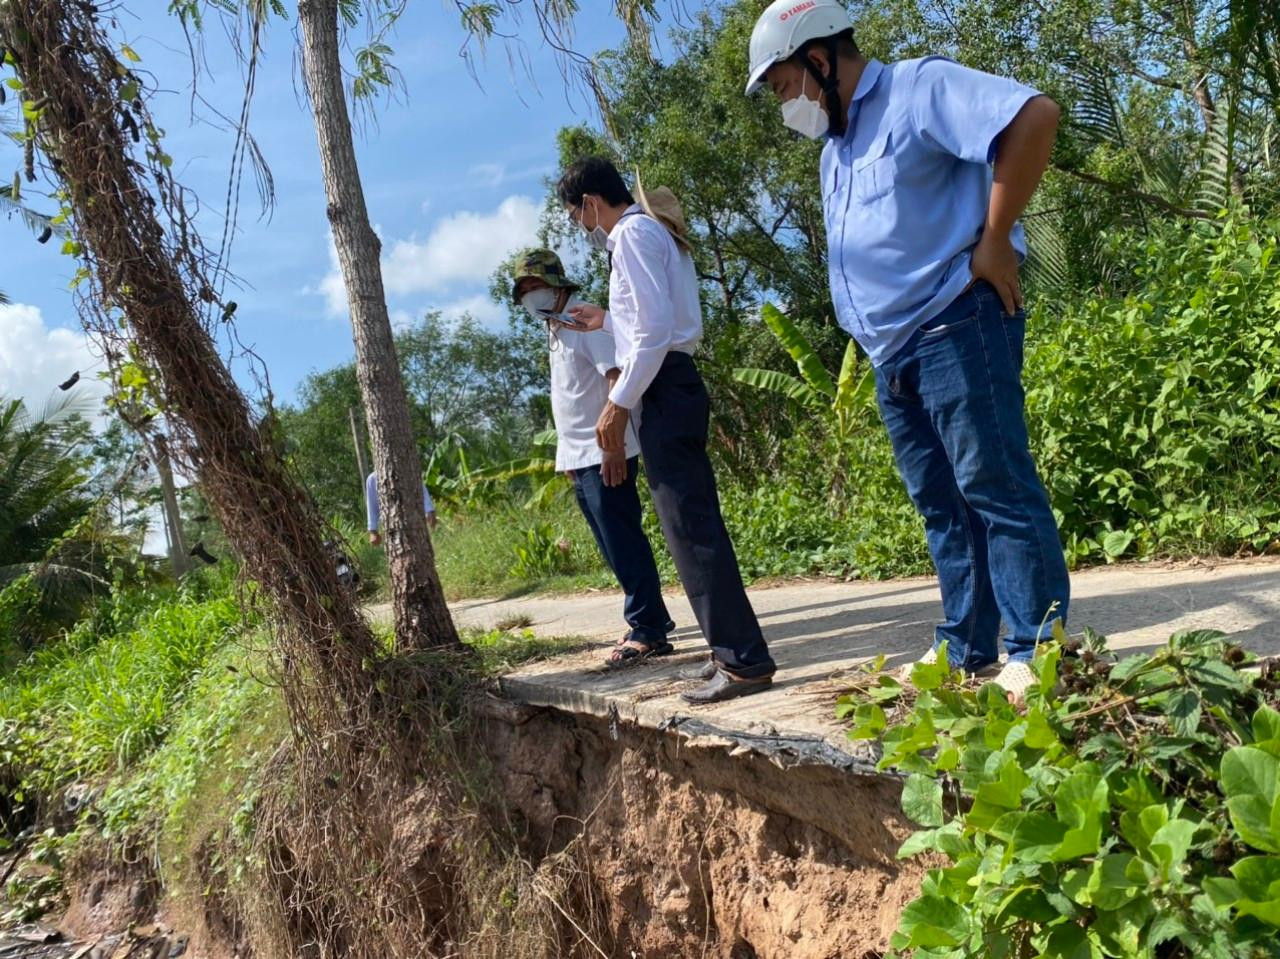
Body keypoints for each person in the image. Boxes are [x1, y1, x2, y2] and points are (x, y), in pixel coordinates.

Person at [745, 0, 1070, 702]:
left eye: (782, 86)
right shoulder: (837, 148)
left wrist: (994, 237)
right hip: (892, 353)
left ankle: (1037, 646)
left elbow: (1034, 117)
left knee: (995, 484)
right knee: (941, 505)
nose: (785, 105)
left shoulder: (917, 90)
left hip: (956, 322)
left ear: (820, 60)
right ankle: (966, 643)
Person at [558, 157, 776, 704]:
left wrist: (618, 402)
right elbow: (652, 321)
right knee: (688, 525)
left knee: (690, 528)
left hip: (661, 385)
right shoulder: (651, 233)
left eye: (575, 215)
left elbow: (654, 332)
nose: (581, 227)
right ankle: (728, 650)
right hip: (669, 379)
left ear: (589, 203)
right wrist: (606, 321)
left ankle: (743, 660)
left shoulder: (630, 235)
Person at [511, 248, 676, 661]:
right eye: (525, 289)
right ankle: (649, 616)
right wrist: (567, 460)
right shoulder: (557, 329)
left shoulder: (587, 325)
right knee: (610, 542)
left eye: (538, 285)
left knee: (622, 539)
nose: (531, 294)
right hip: (580, 455)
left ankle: (648, 628)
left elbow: (616, 381)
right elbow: (572, 400)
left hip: (605, 452)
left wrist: (615, 446)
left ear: (558, 286)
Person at [365, 470, 436, 546]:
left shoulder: (408, 468)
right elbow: (372, 506)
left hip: (415, 524)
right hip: (392, 531)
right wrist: (373, 531)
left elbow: (421, 490)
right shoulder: (373, 479)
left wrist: (429, 511)